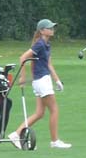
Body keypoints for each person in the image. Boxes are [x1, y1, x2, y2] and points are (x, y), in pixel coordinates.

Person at [8, 19, 71, 149]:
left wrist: (57, 80)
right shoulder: (40, 44)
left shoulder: (47, 45)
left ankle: (16, 134)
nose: (52, 30)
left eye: (52, 28)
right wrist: (23, 77)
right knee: (54, 110)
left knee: (39, 113)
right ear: (42, 30)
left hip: (42, 80)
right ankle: (54, 141)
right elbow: (23, 58)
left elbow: (48, 64)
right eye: (49, 28)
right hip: (42, 81)